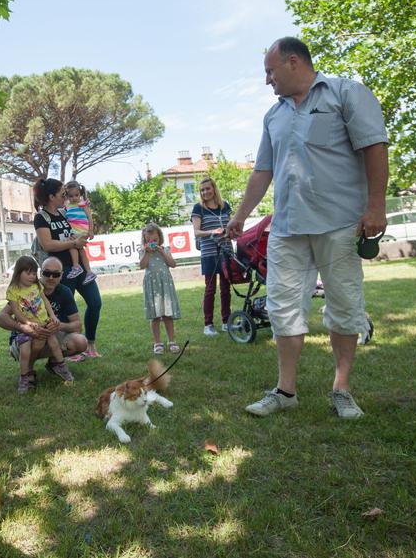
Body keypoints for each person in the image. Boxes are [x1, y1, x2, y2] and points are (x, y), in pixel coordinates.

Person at [226, 36, 388, 420]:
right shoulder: (274, 115)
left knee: (345, 306)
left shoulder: (346, 93)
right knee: (282, 309)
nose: (267, 80)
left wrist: (376, 206)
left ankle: (342, 390)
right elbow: (262, 170)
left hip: (340, 224)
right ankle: (285, 391)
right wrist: (241, 215)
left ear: (294, 62)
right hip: (287, 228)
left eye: (270, 71)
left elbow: (375, 146)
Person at [33, 178, 103, 358]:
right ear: (51, 196)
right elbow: (47, 244)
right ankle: (70, 348)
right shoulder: (41, 217)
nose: (65, 196)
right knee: (65, 311)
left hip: (78, 266)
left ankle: (90, 344)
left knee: (95, 303)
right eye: (62, 194)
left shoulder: (67, 211)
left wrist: (87, 233)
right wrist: (73, 242)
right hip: (60, 270)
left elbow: (83, 224)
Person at [0, 257, 87, 384]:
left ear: (61, 276)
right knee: (38, 339)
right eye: (47, 273)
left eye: (56, 274)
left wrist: (57, 326)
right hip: (24, 340)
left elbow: (77, 325)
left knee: (81, 342)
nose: (51, 277)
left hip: (50, 334)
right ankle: (28, 372)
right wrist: (23, 327)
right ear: (40, 273)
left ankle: (54, 364)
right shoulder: (27, 289)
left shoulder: (64, 292)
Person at [6, 256, 74, 392]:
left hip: (43, 323)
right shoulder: (13, 290)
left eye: (33, 273)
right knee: (25, 352)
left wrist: (53, 316)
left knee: (54, 342)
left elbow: (46, 302)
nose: (32, 276)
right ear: (19, 272)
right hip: (26, 328)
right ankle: (25, 378)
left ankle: (61, 367)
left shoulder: (37, 286)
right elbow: (15, 312)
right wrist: (27, 323)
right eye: (28, 273)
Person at [191, 177, 234, 337]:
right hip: (209, 252)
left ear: (214, 189)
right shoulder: (198, 208)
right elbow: (196, 232)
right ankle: (208, 324)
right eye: (202, 190)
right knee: (210, 289)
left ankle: (226, 321)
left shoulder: (225, 206)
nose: (205, 192)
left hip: (226, 250)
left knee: (225, 288)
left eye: (208, 188)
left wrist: (231, 233)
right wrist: (212, 232)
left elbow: (230, 225)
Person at [139, 223, 181, 354]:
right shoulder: (143, 252)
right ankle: (157, 343)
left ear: (160, 239)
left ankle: (171, 341)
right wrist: (146, 252)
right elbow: (142, 265)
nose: (152, 243)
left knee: (168, 315)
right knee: (155, 316)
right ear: (145, 240)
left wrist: (162, 252)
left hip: (165, 285)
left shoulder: (165, 250)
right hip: (152, 286)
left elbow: (173, 264)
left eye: (155, 240)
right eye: (149, 240)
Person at [62, 180, 96, 284]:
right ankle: (89, 272)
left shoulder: (82, 204)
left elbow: (90, 218)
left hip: (82, 230)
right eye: (71, 196)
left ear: (80, 194)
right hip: (74, 230)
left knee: (72, 245)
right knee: (80, 249)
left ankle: (76, 266)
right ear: (67, 196)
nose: (74, 198)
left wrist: (91, 231)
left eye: (76, 195)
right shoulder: (67, 206)